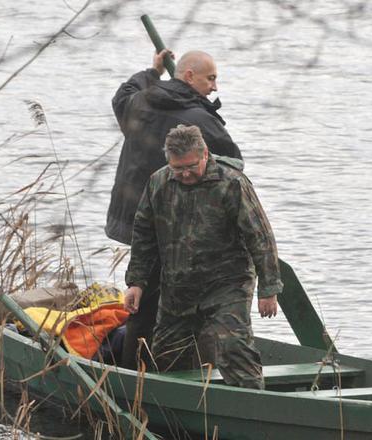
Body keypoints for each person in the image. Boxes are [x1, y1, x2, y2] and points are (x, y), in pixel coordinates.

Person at [106, 49, 243, 369]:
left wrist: (151, 72)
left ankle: (134, 373)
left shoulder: (140, 102)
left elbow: (122, 95)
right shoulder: (201, 119)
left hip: (132, 222)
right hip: (175, 228)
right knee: (176, 300)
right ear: (189, 76)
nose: (215, 87)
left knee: (144, 298)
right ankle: (171, 373)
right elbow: (234, 165)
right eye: (211, 78)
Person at [124, 125, 282, 389]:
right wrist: (136, 282)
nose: (185, 173)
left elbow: (261, 237)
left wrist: (269, 289)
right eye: (177, 168)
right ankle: (179, 420)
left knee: (233, 348)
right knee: (165, 358)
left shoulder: (231, 183)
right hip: (178, 290)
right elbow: (143, 237)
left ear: (205, 154)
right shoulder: (158, 183)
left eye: (191, 166)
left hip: (227, 287)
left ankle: (255, 409)